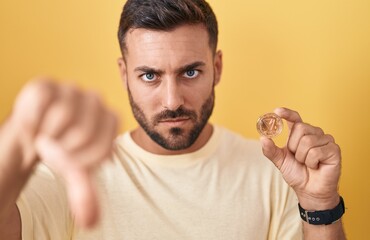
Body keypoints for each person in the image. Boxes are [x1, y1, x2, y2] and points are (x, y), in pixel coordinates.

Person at [0, 0, 346, 239]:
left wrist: (320, 205)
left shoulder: (275, 174)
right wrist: (14, 145)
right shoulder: (69, 174)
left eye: (191, 72)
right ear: (124, 75)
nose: (172, 101)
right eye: (149, 75)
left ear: (218, 68)